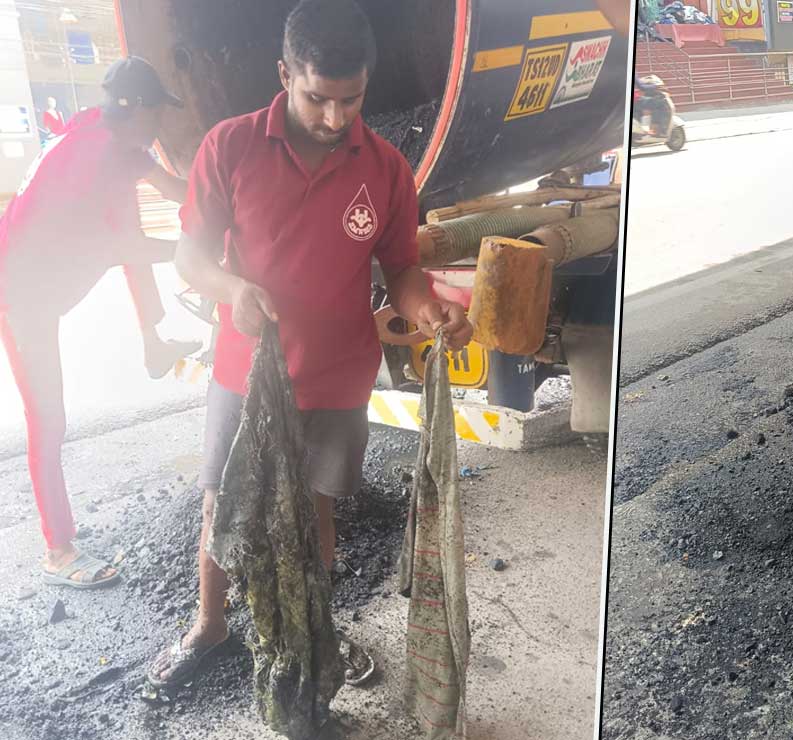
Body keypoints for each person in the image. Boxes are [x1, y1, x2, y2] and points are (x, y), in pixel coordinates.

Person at [145, 0, 472, 690]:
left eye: (350, 100)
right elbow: (189, 256)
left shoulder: (386, 168)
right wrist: (232, 289)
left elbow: (401, 271)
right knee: (221, 503)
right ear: (284, 74)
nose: (333, 116)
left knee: (316, 511)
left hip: (337, 375)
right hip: (245, 371)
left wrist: (428, 310)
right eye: (318, 97)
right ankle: (209, 625)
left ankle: (316, 629)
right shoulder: (230, 146)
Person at [0, 57, 200, 590]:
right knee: (48, 419)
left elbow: (177, 190)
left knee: (128, 219)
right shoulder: (91, 156)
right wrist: (195, 251)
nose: (162, 124)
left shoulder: (112, 139)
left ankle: (153, 342)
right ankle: (58, 551)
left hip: (46, 278)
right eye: (158, 112)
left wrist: (233, 196)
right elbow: (124, 247)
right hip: (19, 294)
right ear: (137, 109)